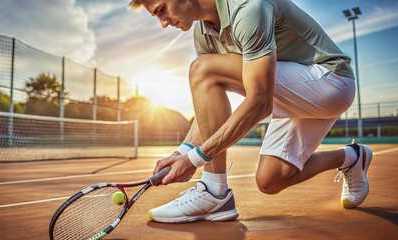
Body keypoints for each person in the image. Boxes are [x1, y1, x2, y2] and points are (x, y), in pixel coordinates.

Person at [128, 0, 373, 223]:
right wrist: (182, 151)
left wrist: (195, 159)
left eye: (162, 9)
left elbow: (260, 102)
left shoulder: (248, 8)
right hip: (294, 96)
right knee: (270, 180)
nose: (163, 23)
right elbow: (207, 103)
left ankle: (214, 191)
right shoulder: (203, 33)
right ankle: (352, 157)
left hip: (330, 82)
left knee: (203, 69)